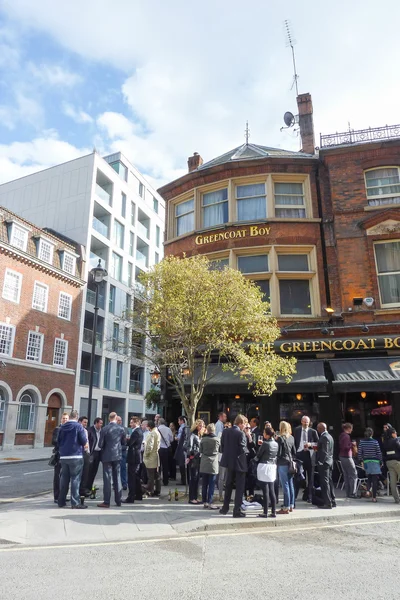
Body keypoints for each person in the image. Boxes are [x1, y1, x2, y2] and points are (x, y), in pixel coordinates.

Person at [57, 410, 88, 509]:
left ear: (69, 417)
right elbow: (83, 440)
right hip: (76, 456)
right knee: (75, 479)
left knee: (64, 478)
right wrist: (85, 446)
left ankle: (61, 501)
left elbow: (58, 441)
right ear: (77, 417)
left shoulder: (62, 427)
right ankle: (75, 502)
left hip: (64, 456)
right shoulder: (79, 426)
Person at [219, 414, 248, 518]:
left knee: (228, 485)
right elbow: (243, 449)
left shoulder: (226, 431)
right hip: (239, 463)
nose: (245, 426)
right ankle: (236, 510)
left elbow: (222, 446)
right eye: (244, 424)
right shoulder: (241, 433)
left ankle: (225, 508)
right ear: (240, 423)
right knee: (239, 488)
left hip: (228, 462)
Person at [97, 412, 126, 508]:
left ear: (109, 418)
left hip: (107, 456)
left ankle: (106, 501)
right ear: (116, 418)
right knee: (117, 477)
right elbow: (124, 443)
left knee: (107, 479)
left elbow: (100, 444)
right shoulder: (121, 429)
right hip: (117, 455)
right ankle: (118, 500)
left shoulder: (104, 429)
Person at [255, 426, 278, 518]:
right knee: (272, 490)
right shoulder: (276, 444)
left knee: (265, 491)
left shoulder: (265, 444)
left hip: (264, 466)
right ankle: (273, 511)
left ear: (267, 435)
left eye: (264, 433)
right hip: (272, 466)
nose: (263, 434)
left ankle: (265, 512)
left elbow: (259, 455)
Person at [294, 415, 319, 502]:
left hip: (309, 454)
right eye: (304, 422)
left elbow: (318, 443)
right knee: (297, 476)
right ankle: (294, 496)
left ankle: (310, 496)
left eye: (307, 422)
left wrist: (310, 444)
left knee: (310, 477)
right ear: (301, 422)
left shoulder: (313, 431)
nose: (305, 423)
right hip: (299, 454)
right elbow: (294, 442)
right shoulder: (297, 430)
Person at [358, 427, 382, 502]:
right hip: (375, 462)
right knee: (375, 480)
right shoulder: (375, 442)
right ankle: (374, 497)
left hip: (366, 462)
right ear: (372, 434)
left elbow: (359, 453)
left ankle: (368, 490)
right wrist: (381, 462)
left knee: (369, 478)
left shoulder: (361, 442)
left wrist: (361, 461)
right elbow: (378, 453)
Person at [276, 421, 296, 514]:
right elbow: (294, 451)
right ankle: (291, 505)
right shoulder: (292, 438)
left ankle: (286, 507)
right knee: (291, 484)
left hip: (282, 463)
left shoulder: (280, 438)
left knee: (285, 485)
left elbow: (279, 453)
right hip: (290, 462)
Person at [200, 423, 220, 509]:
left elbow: (200, 450)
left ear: (207, 430)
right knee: (212, 484)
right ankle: (210, 501)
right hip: (213, 463)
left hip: (204, 462)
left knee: (204, 484)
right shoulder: (217, 439)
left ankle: (204, 501)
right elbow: (221, 449)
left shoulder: (203, 439)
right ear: (214, 430)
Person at [123, 416, 144, 503]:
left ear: (136, 423)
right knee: (135, 477)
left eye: (131, 422)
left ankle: (131, 497)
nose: (130, 424)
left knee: (131, 477)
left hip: (133, 457)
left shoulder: (136, 432)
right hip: (137, 456)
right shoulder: (139, 431)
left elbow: (130, 443)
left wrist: (126, 439)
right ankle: (138, 494)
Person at [316, 423, 336, 509]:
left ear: (321, 428)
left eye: (318, 428)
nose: (317, 429)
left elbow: (325, 451)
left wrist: (321, 461)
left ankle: (327, 502)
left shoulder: (324, 437)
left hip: (324, 463)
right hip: (330, 461)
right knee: (329, 482)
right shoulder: (330, 436)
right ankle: (333, 500)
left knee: (325, 483)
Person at [51, 412, 69, 503]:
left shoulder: (69, 429)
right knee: (57, 477)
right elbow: (53, 441)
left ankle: (63, 496)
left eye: (66, 418)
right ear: (61, 419)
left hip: (67, 455)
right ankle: (57, 496)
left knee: (65, 476)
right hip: (59, 455)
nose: (65, 420)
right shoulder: (58, 429)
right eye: (63, 418)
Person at [187, 419, 204, 504]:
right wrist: (189, 456)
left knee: (197, 479)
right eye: (200, 425)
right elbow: (189, 447)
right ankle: (191, 498)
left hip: (199, 458)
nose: (202, 427)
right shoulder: (192, 435)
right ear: (196, 426)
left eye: (202, 426)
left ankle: (195, 497)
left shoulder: (199, 435)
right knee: (193, 478)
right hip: (194, 458)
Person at [339, 423, 358, 499]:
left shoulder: (341, 435)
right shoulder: (347, 436)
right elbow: (345, 447)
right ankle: (353, 493)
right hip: (347, 457)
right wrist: (352, 444)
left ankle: (348, 493)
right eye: (351, 428)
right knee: (354, 474)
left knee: (346, 475)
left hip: (341, 456)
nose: (352, 430)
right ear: (349, 428)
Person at [143, 420, 161, 496]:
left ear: (149, 427)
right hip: (156, 455)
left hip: (151, 457)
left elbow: (149, 446)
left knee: (150, 475)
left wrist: (146, 455)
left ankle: (150, 490)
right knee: (156, 475)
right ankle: (157, 490)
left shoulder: (152, 434)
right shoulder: (157, 432)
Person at [86, 417, 103, 492]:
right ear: (96, 423)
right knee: (89, 471)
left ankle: (90, 487)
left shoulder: (101, 431)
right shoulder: (90, 430)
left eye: (102, 423)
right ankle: (86, 487)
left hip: (99, 453)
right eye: (100, 423)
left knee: (94, 471)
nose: (101, 425)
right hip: (92, 453)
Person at [383, 428, 400, 504]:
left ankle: (397, 499)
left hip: (389, 463)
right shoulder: (395, 441)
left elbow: (384, 453)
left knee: (393, 482)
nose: (396, 434)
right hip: (397, 462)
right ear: (392, 434)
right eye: (395, 433)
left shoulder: (385, 442)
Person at [158, 418, 173, 486]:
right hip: (166, 449)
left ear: (159, 422)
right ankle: (165, 481)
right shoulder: (168, 429)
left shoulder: (157, 429)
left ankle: (157, 480)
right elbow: (171, 439)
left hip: (159, 448)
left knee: (158, 465)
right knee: (165, 465)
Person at [78, 416, 90, 497]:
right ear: (80, 422)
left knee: (85, 473)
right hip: (81, 453)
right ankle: (78, 490)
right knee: (79, 473)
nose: (86, 424)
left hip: (86, 453)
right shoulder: (78, 430)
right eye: (84, 422)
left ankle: (82, 490)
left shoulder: (85, 430)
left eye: (86, 422)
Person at [244, 421, 257, 498]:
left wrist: (249, 437)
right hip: (244, 457)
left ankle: (251, 493)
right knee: (244, 476)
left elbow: (254, 446)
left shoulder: (253, 435)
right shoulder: (242, 435)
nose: (248, 429)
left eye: (249, 428)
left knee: (251, 476)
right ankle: (244, 492)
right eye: (246, 428)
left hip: (251, 457)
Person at [174, 416, 189, 485]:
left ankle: (183, 480)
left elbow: (179, 438)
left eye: (179, 420)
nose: (178, 422)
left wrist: (176, 437)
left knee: (182, 465)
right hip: (185, 448)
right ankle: (186, 480)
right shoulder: (187, 427)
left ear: (182, 421)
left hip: (182, 448)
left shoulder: (182, 428)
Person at [116, 415, 128, 490]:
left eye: (120, 420)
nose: (120, 422)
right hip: (114, 452)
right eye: (118, 420)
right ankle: (115, 483)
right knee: (115, 468)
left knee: (123, 468)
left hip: (123, 451)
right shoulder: (113, 429)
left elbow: (126, 441)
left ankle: (124, 483)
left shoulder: (125, 429)